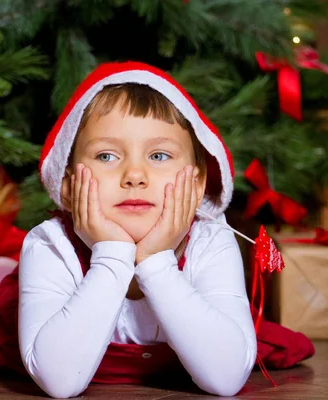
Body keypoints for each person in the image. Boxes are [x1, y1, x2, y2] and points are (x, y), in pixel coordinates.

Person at [18, 61, 257, 398]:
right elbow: (59, 381)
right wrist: (113, 254)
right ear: (68, 186)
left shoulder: (210, 242)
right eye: (106, 156)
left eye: (159, 156)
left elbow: (226, 378)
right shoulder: (50, 246)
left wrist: (156, 260)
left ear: (199, 182)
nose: (134, 174)